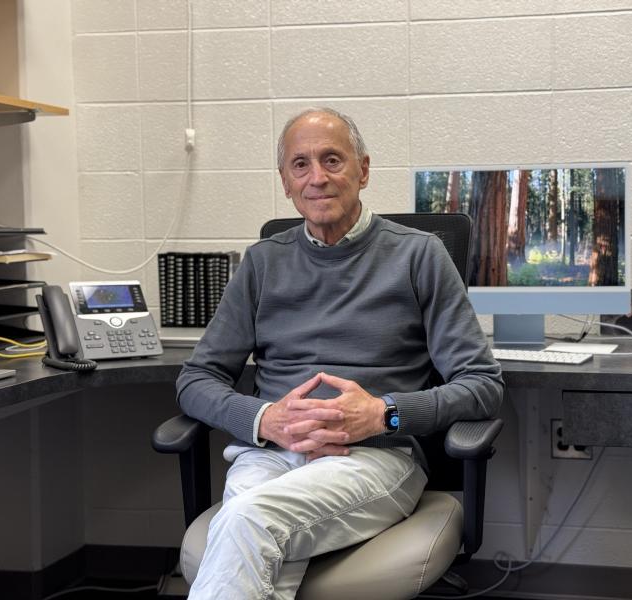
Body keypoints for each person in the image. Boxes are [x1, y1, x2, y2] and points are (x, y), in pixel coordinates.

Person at [175, 107, 504, 599]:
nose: (318, 178)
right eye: (300, 164)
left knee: (250, 520)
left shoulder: (419, 254)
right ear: (285, 182)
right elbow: (195, 380)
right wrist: (266, 419)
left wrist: (383, 414)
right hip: (271, 455)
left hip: (374, 457)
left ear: (363, 170)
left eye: (332, 160)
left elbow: (483, 386)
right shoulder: (263, 263)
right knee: (256, 538)